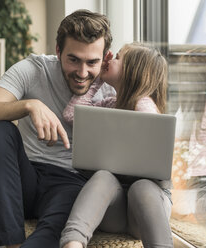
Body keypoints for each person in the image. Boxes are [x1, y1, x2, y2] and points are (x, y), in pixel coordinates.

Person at [0, 9, 113, 248]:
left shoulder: (112, 87)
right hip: (24, 180)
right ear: (58, 50)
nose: (82, 73)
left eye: (92, 62)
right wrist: (27, 105)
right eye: (73, 59)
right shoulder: (33, 69)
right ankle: (12, 242)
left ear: (105, 57)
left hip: (71, 183)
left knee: (54, 233)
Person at [59, 43, 174, 248]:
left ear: (132, 72)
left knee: (142, 187)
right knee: (103, 176)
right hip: (116, 210)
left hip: (145, 210)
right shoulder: (110, 104)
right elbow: (71, 115)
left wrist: (137, 102)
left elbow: (153, 138)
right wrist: (95, 82)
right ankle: (73, 242)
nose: (109, 60)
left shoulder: (145, 106)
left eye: (118, 57)